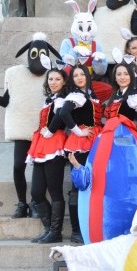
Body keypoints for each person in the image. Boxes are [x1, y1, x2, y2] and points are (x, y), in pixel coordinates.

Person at [0, 32, 59, 218]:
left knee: (41, 169)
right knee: (18, 166)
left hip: (45, 131)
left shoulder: (53, 75)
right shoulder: (14, 75)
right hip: (23, 129)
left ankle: (36, 203)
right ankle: (22, 203)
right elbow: (7, 101)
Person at [55, 64, 100, 244]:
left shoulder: (90, 95)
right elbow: (64, 113)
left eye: (82, 74)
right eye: (76, 76)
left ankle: (88, 226)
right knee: (78, 186)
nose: (80, 78)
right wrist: (78, 131)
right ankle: (76, 230)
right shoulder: (76, 96)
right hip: (81, 142)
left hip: (94, 140)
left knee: (92, 184)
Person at [26, 68, 69, 244]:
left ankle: (54, 231)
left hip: (55, 142)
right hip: (41, 144)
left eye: (57, 79)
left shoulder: (63, 100)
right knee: (36, 192)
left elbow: (60, 116)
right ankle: (49, 228)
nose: (53, 82)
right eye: (50, 79)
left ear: (64, 82)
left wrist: (50, 130)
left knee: (55, 190)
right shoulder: (49, 99)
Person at [103, 63, 137, 134]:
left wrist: (135, 133)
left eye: (126, 74)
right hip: (109, 136)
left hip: (124, 138)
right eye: (119, 74)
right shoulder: (115, 94)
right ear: (115, 78)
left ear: (131, 76)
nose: (122, 77)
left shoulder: (133, 95)